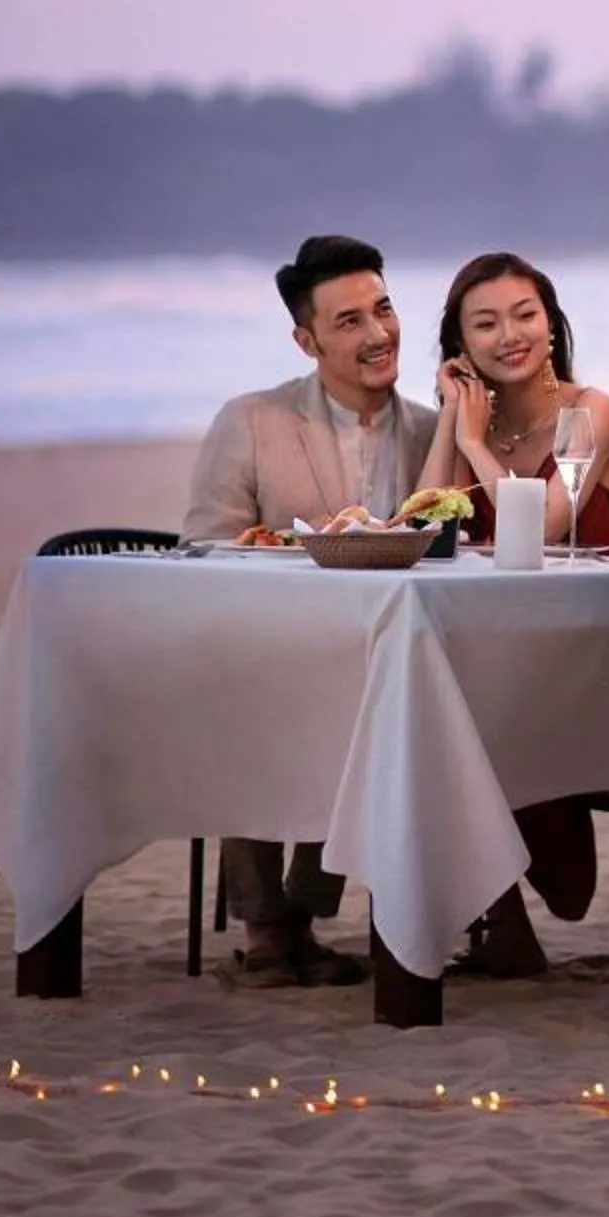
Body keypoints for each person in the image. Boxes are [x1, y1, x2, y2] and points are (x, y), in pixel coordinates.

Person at [179, 233, 437, 987]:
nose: (378, 334)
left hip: (388, 655)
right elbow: (204, 546)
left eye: (383, 310)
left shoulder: (430, 431)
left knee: (384, 703)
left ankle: (299, 914)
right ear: (307, 339)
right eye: (349, 321)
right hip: (270, 643)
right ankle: (267, 929)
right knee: (245, 696)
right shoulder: (252, 420)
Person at [413, 250, 609, 976]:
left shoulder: (591, 410)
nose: (510, 334)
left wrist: (474, 443)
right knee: (433, 703)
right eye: (485, 324)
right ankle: (497, 916)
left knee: (450, 710)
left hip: (588, 656)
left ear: (551, 322)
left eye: (524, 314)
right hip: (496, 661)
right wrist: (453, 418)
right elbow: (424, 529)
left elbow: (541, 528)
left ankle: (496, 904)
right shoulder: (473, 421)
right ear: (461, 346)